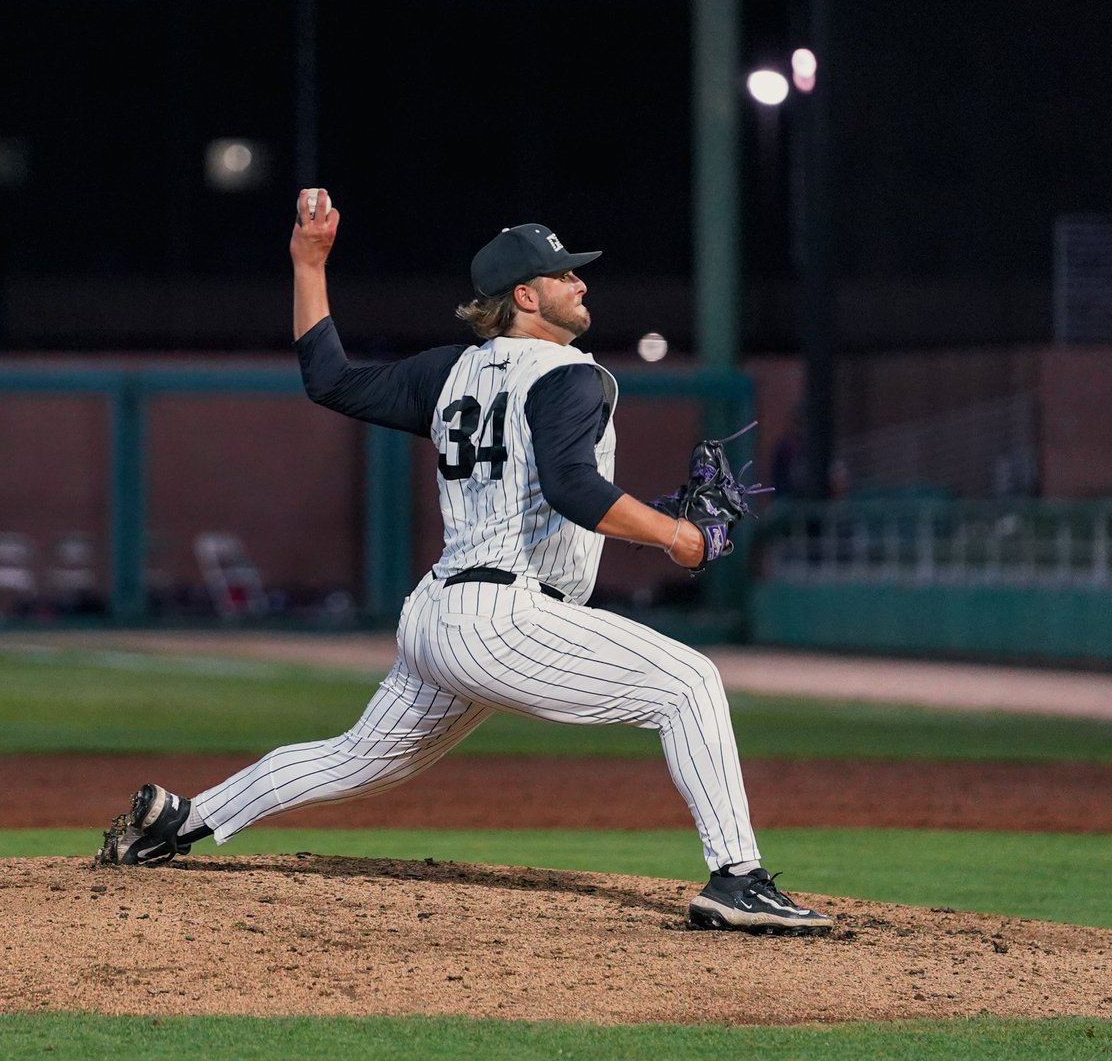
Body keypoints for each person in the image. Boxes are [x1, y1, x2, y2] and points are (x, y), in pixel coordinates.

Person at [97, 188, 832, 936]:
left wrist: (309, 266)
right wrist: (680, 537)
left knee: (360, 758)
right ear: (525, 296)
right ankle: (737, 878)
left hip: (439, 614)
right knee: (688, 683)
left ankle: (183, 819)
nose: (579, 282)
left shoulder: (451, 372)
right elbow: (576, 489)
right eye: (563, 274)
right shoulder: (569, 373)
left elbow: (330, 380)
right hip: (503, 617)